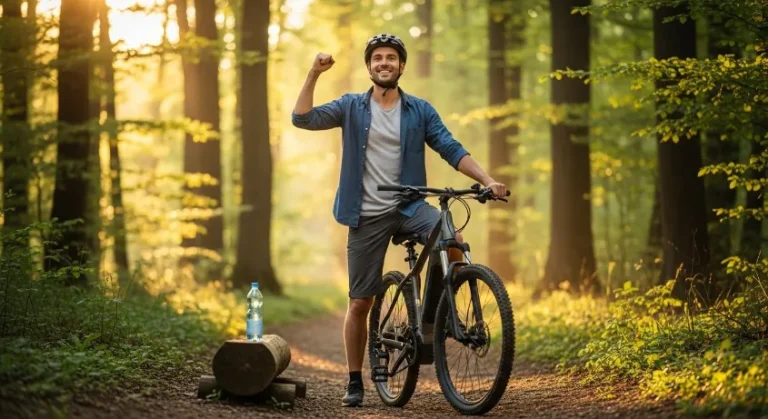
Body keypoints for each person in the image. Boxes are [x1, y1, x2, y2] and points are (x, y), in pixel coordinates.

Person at [291, 33, 507, 407]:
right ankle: (355, 379)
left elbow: (451, 148)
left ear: (401, 66)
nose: (384, 63)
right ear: (369, 67)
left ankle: (442, 317)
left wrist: (487, 181)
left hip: (408, 207)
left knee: (451, 236)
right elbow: (302, 119)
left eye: (391, 58)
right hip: (366, 212)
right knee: (360, 303)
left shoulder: (419, 111)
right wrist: (313, 72)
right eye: (377, 58)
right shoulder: (351, 107)